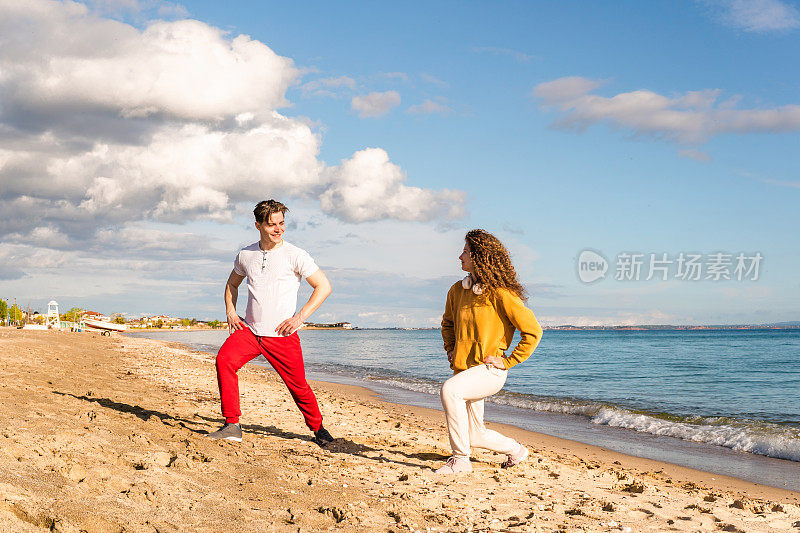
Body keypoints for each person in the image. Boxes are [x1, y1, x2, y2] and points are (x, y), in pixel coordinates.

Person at [207, 199, 335, 446]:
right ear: (258, 225)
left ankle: (319, 429)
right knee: (224, 361)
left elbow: (324, 286)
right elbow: (232, 283)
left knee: (298, 386)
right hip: (251, 332)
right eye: (272, 225)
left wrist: (299, 318)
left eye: (282, 223)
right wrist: (231, 312)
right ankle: (232, 424)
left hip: (282, 335)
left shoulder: (296, 255)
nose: (278, 229)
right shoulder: (246, 254)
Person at [436, 229, 543, 474]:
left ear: (479, 257)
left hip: (489, 371)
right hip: (464, 370)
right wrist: (450, 348)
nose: (459, 256)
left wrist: (508, 361)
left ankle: (461, 460)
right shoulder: (456, 290)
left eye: (465, 251)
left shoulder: (501, 294)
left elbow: (533, 331)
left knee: (450, 391)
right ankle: (517, 451)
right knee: (474, 434)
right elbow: (448, 324)